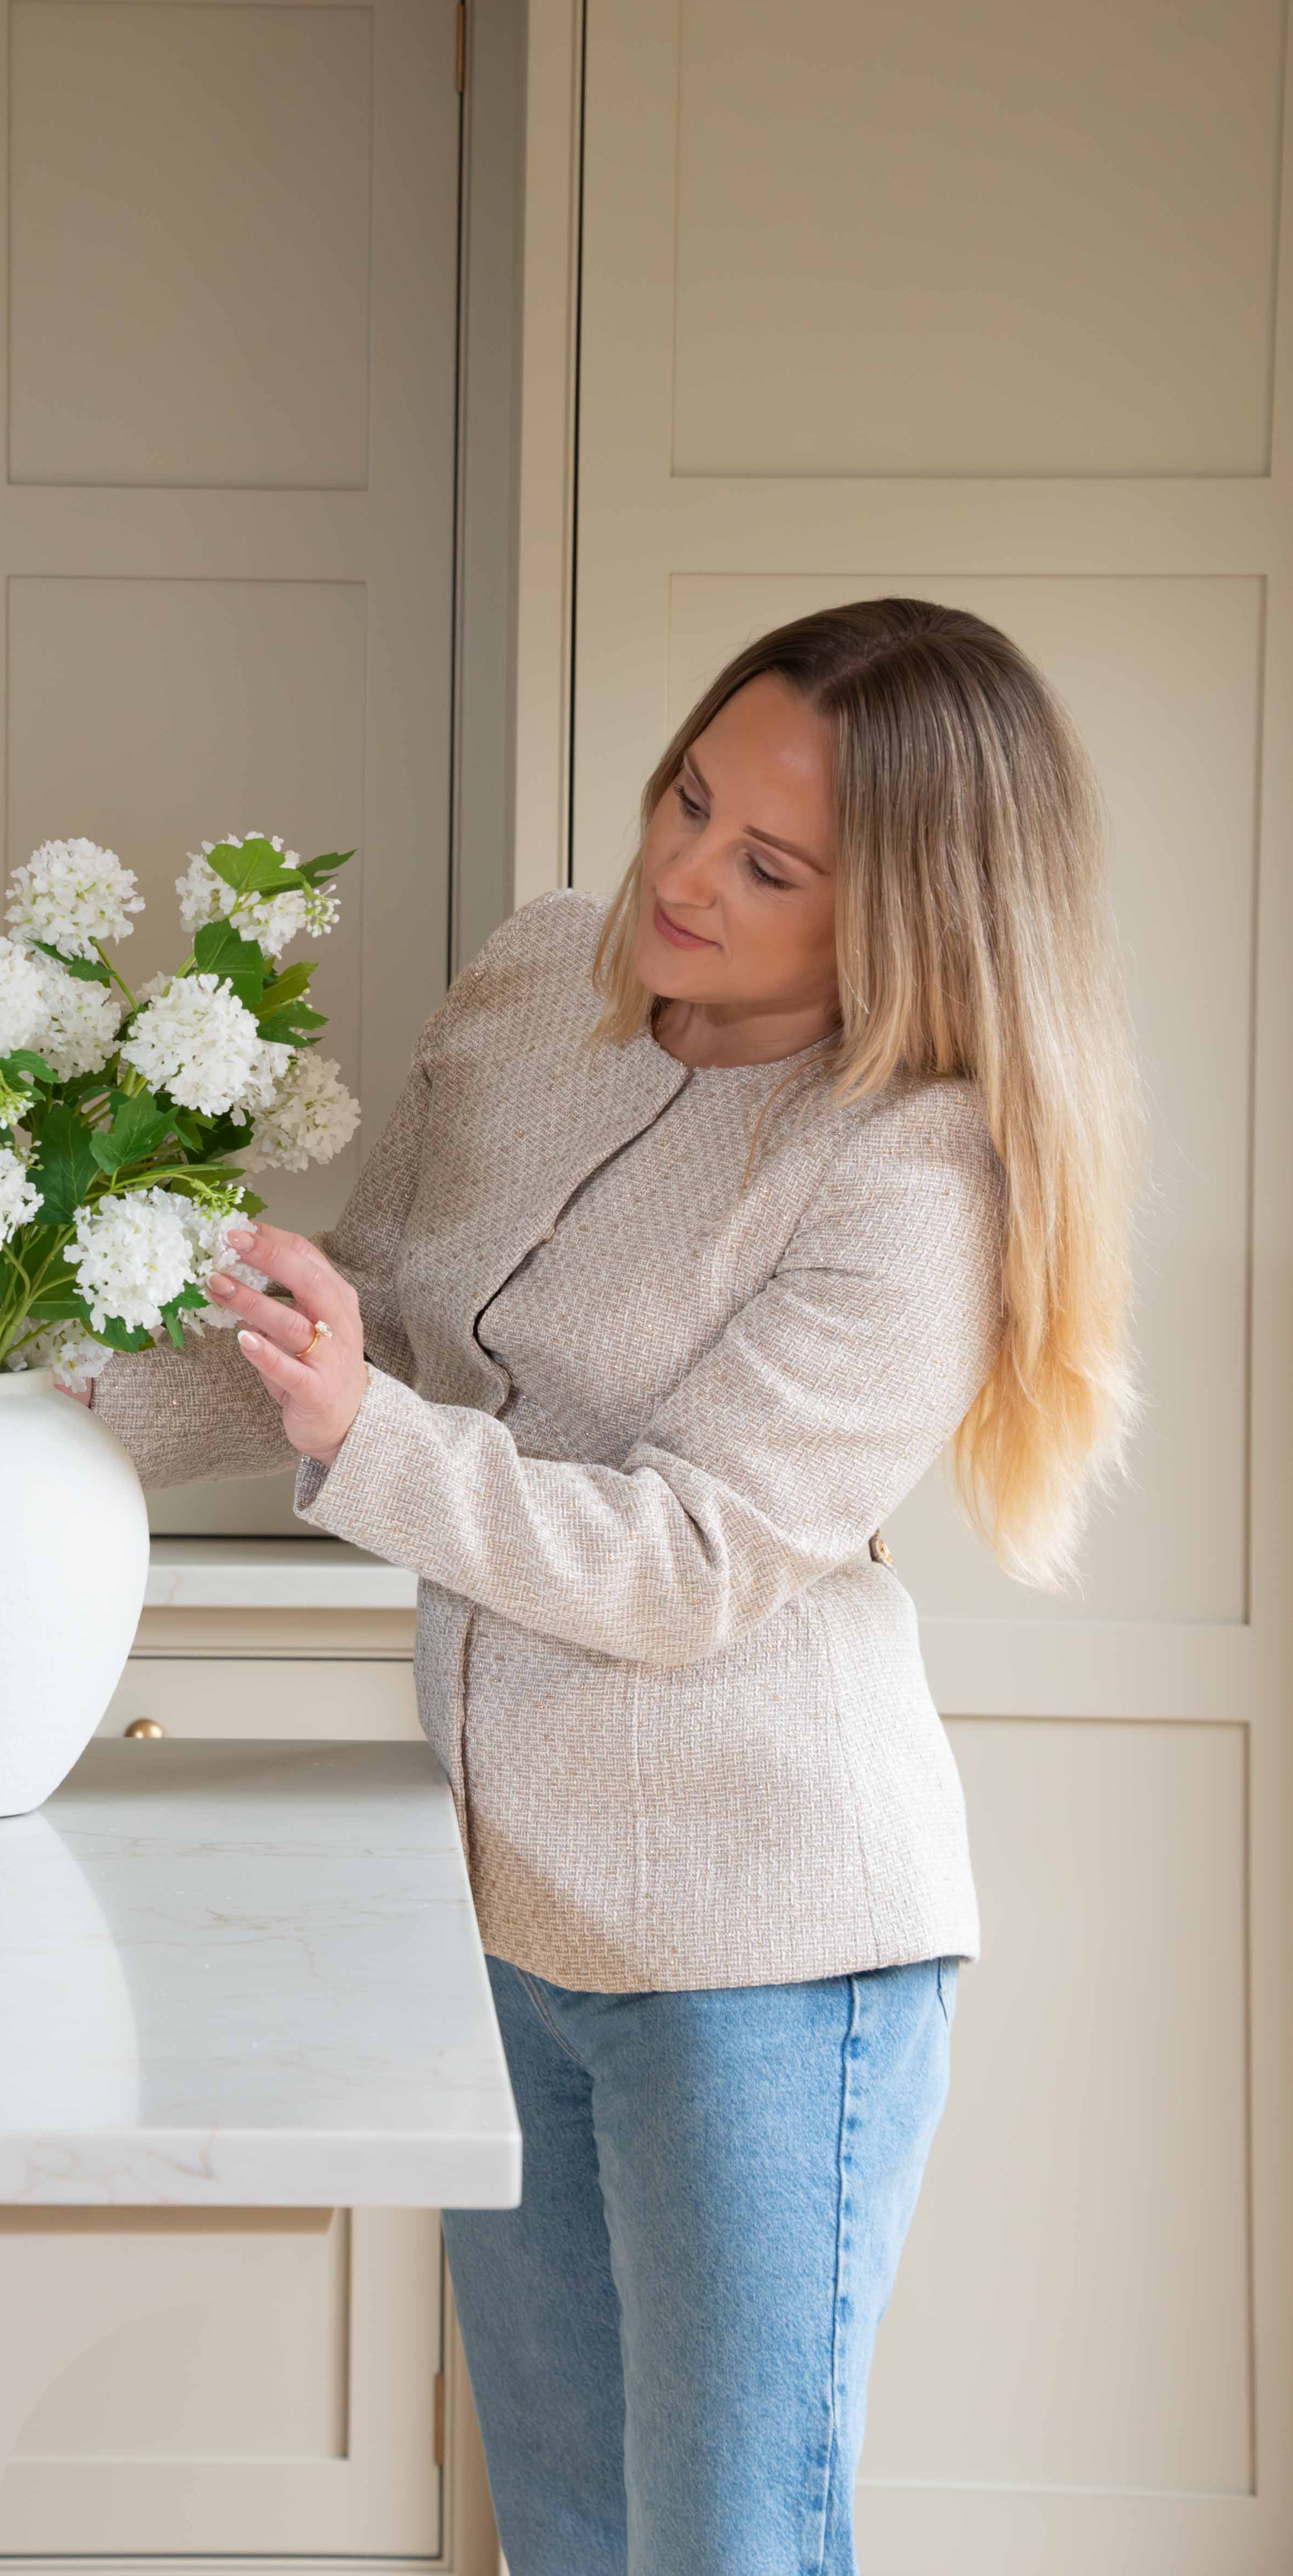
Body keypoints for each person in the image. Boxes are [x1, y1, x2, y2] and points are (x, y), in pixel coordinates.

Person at [72, 597, 1142, 2574]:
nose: (684, 873)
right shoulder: (535, 982)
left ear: (906, 921)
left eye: (770, 867)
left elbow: (689, 1560)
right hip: (504, 1922)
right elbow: (377, 1304)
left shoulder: (914, 1173)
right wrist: (7, 1396)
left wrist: (362, 1433)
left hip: (764, 1956)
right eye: (688, 797)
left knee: (726, 2545)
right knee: (564, 2532)